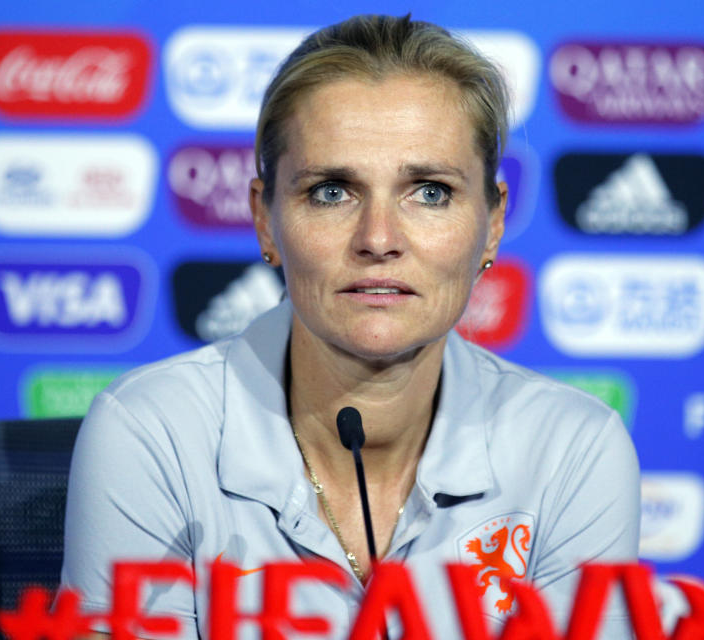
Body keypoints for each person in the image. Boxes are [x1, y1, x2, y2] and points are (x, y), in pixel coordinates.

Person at [61, 14, 640, 640]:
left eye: (430, 192)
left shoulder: (573, 451)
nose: (379, 240)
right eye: (332, 191)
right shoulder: (154, 431)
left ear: (493, 225)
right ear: (264, 220)